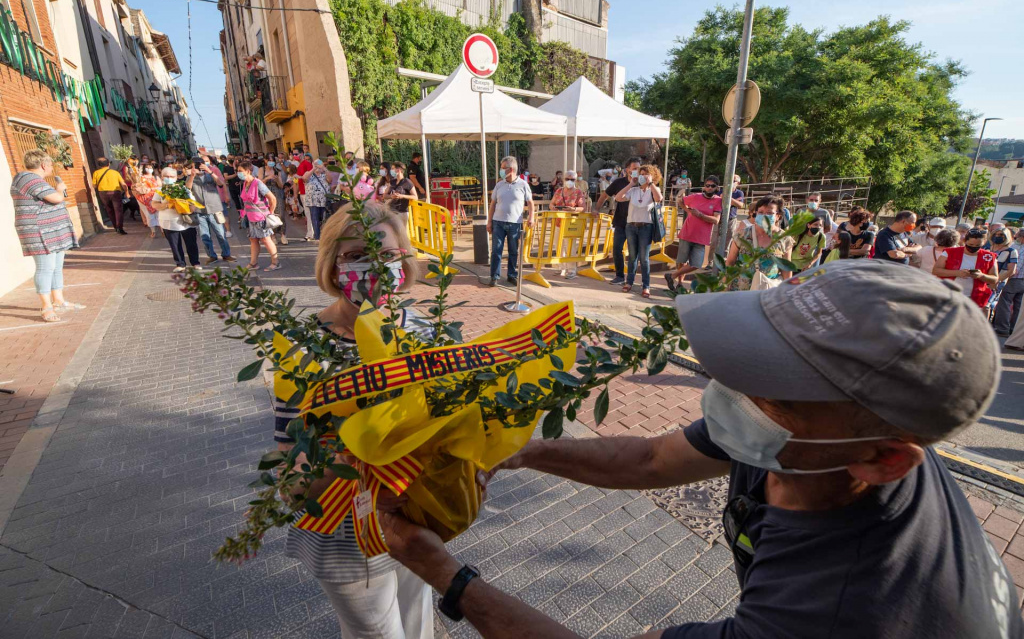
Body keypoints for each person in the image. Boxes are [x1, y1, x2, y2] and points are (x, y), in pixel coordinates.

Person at [379, 260, 1019, 639]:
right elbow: (651, 461)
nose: (727, 390)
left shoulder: (839, 608)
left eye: (772, 387)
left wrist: (447, 575)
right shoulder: (812, 439)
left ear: (885, 461)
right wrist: (522, 451)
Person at [274, 202, 432, 639]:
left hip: (413, 519)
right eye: (357, 255)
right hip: (342, 532)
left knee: (418, 624)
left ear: (405, 256)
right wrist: (363, 482)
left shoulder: (422, 332)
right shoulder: (300, 345)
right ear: (331, 264)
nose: (375, 268)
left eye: (386, 254)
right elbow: (291, 459)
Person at [12, 149, 83, 322]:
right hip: (40, 232)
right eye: (50, 164)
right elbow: (56, 198)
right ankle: (46, 307)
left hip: (51, 231)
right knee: (45, 268)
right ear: (44, 165)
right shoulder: (29, 179)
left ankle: (58, 300)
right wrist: (60, 189)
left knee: (56, 267)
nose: (51, 167)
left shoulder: (33, 179)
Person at [615, 164, 663, 298]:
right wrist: (631, 184)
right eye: (641, 174)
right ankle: (629, 282)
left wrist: (651, 183)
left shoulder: (654, 189)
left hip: (646, 227)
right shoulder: (634, 190)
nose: (642, 177)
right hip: (631, 226)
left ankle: (646, 285)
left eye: (645, 174)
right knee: (632, 256)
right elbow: (618, 197)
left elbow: (658, 198)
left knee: (644, 258)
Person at [725, 194, 794, 289]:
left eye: (769, 213)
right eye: (761, 212)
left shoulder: (784, 239)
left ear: (778, 216)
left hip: (768, 290)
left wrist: (787, 289)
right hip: (741, 290)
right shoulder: (742, 235)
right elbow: (730, 262)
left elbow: (786, 268)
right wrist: (724, 285)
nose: (764, 216)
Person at [666, 176, 722, 290]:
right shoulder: (695, 197)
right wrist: (688, 211)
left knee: (696, 264)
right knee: (681, 260)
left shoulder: (718, 201)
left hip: (702, 238)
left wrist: (700, 215)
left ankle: (672, 276)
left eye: (712, 186)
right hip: (687, 233)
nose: (709, 188)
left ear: (717, 188)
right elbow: (681, 201)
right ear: (704, 187)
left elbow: (716, 220)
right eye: (707, 185)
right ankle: (680, 284)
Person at [593, 157, 642, 285]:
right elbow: (605, 195)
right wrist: (596, 209)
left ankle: (631, 278)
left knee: (633, 252)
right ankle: (619, 276)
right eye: (634, 168)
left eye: (639, 168)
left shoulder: (643, 182)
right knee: (617, 249)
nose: (637, 171)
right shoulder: (619, 182)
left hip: (636, 223)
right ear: (628, 170)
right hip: (620, 221)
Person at [487, 156, 534, 286]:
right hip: (498, 222)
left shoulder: (523, 184)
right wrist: (489, 221)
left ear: (511, 169)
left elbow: (530, 203)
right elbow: (493, 204)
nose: (501, 171)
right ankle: (494, 276)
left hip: (515, 223)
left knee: (513, 251)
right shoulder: (499, 185)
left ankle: (511, 275)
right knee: (496, 250)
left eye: (503, 168)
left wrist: (531, 217)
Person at [185, 157, 236, 265]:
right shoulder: (190, 177)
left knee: (220, 233)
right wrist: (192, 175)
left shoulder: (210, 174)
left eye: (200, 164)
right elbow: (187, 189)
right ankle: (212, 256)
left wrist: (210, 172)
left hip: (214, 209)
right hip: (200, 211)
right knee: (205, 236)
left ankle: (226, 254)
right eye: (196, 165)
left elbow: (220, 183)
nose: (199, 166)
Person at [151, 167, 201, 273]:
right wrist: (165, 205)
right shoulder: (160, 191)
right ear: (162, 177)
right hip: (169, 222)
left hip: (185, 221)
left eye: (171, 176)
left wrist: (185, 207)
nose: (169, 178)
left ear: (176, 177)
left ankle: (195, 262)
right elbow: (154, 204)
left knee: (191, 243)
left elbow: (192, 203)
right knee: (174, 244)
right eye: (166, 176)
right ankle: (180, 263)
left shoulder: (182, 188)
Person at [933, 228, 998, 309]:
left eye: (978, 245)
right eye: (971, 244)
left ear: (984, 242)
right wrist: (957, 273)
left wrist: (981, 276)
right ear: (965, 241)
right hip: (949, 293)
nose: (974, 247)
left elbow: (995, 279)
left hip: (974, 297)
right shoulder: (950, 252)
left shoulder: (989, 257)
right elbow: (936, 270)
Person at [237, 160, 281, 271]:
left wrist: (270, 212)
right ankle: (253, 263)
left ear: (247, 171)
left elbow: (272, 198)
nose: (238, 173)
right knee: (253, 240)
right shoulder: (245, 184)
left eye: (240, 171)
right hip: (251, 217)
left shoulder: (258, 183)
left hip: (260, 217)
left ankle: (275, 262)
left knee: (266, 240)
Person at [550, 170, 587, 280]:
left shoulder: (578, 192)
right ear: (563, 179)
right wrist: (553, 207)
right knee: (558, 245)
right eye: (567, 179)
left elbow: (583, 208)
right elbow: (552, 203)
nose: (569, 181)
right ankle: (560, 266)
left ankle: (571, 269)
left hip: (571, 224)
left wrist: (573, 209)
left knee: (571, 247)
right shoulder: (558, 191)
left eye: (572, 179)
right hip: (558, 222)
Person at [994, 228, 1024, 337]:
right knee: (1018, 307)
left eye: (1018, 237)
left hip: (1014, 280)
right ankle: (1014, 329)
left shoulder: (1017, 248)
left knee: (1004, 304)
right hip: (1021, 281)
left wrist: (1002, 278)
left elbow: (1016, 269)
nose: (1016, 239)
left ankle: (1002, 328)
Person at [988, 227, 1018, 325]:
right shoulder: (987, 248)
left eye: (1001, 235)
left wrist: (995, 280)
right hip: (983, 279)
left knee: (988, 304)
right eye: (996, 234)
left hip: (997, 282)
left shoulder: (1011, 251)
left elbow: (1011, 271)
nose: (998, 236)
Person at [93, 156, 129, 234]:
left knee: (109, 210)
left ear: (99, 165)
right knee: (118, 210)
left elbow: (94, 185)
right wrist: (127, 192)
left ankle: (116, 227)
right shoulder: (115, 172)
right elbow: (124, 184)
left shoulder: (96, 173)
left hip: (103, 193)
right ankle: (120, 227)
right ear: (108, 164)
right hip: (115, 192)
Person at [303, 159, 332, 242]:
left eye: (319, 163)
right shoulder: (309, 173)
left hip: (324, 200)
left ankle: (325, 235)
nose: (317, 166)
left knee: (324, 218)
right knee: (315, 218)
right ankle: (317, 237)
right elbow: (305, 178)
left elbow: (330, 180)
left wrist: (324, 168)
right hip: (313, 201)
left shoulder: (325, 174)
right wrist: (313, 168)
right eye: (315, 164)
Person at [135, 162, 161, 238]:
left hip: (156, 197)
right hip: (145, 199)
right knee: (149, 215)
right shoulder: (140, 178)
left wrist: (152, 189)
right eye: (147, 168)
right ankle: (153, 231)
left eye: (150, 168)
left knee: (159, 214)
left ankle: (163, 230)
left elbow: (160, 186)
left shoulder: (155, 177)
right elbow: (139, 188)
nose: (149, 169)